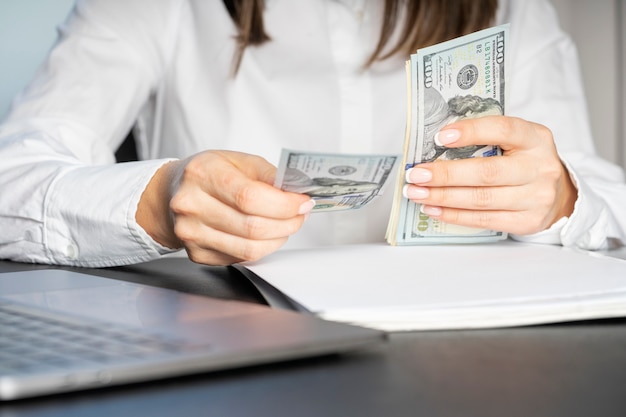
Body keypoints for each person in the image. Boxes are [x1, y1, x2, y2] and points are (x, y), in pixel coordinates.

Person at [0, 0, 625, 268]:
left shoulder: (514, 8)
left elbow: (606, 198)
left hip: (465, 362)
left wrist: (563, 198)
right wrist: (157, 201)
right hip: (231, 354)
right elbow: (11, 186)